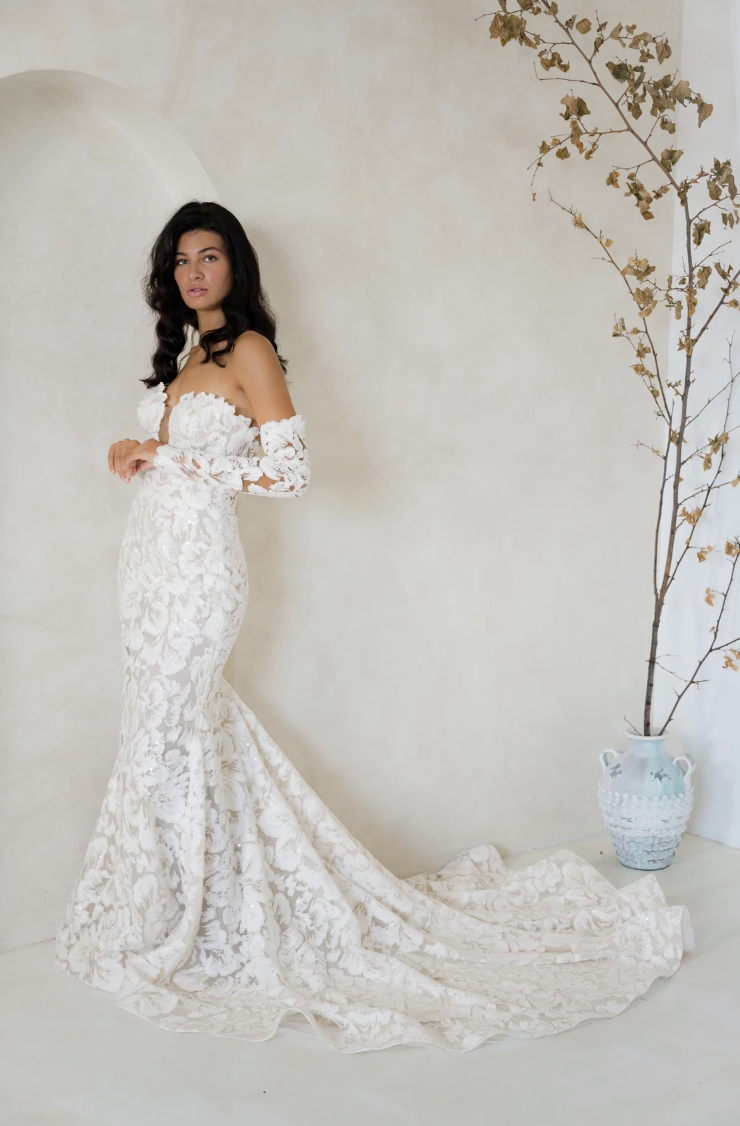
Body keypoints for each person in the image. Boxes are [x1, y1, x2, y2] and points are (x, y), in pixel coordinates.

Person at [55, 200, 692, 1053]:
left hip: (201, 577)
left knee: (176, 730)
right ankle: (179, 911)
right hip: (148, 572)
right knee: (165, 734)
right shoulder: (182, 357)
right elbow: (171, 462)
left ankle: (187, 923)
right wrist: (127, 450)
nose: (194, 272)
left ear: (236, 266)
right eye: (180, 260)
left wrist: (167, 455)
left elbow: (290, 473)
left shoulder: (248, 351)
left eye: (209, 256)